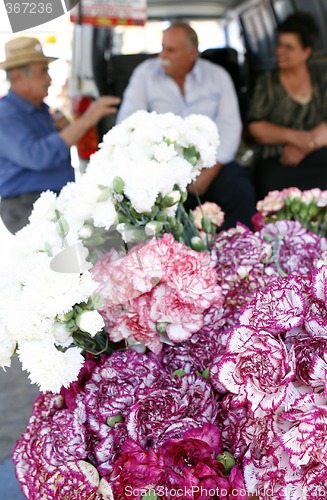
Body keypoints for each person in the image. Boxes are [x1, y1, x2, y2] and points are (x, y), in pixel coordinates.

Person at [116, 23, 256, 230]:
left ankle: (237, 252)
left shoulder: (218, 76)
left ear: (192, 53)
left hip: (212, 164)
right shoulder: (144, 74)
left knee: (241, 191)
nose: (162, 55)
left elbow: (230, 126)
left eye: (170, 50)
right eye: (162, 47)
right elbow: (127, 124)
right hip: (161, 168)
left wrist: (209, 171)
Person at [0, 36, 121, 234]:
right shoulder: (5, 114)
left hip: (53, 199)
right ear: (18, 75)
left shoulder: (41, 110)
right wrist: (86, 120)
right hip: (28, 206)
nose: (49, 79)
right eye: (43, 71)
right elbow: (38, 155)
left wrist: (67, 128)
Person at [247, 11, 327, 200]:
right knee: (272, 185)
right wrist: (296, 138)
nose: (279, 51)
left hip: (318, 155)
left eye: (288, 47)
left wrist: (305, 146)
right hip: (278, 159)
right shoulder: (267, 82)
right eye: (279, 45)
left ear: (306, 52)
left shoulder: (321, 78)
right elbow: (256, 128)